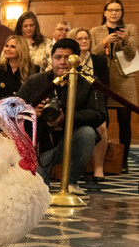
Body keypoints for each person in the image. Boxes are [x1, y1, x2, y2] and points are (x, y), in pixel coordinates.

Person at [17, 39, 106, 195]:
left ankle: (71, 181)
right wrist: (32, 113)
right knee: (37, 190)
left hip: (72, 140)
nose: (63, 62)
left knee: (87, 133)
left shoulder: (88, 82)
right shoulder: (36, 81)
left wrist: (68, 117)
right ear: (51, 60)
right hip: (41, 144)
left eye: (68, 58)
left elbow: (99, 114)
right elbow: (13, 108)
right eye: (58, 57)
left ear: (77, 60)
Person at [90, 0, 137, 173]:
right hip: (103, 79)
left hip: (124, 79)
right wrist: (105, 42)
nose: (114, 13)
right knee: (103, 121)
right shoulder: (96, 31)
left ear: (122, 13)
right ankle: (101, 161)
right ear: (105, 13)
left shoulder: (130, 29)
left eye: (117, 10)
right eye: (110, 10)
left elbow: (132, 54)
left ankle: (123, 162)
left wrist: (124, 41)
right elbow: (92, 54)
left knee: (125, 121)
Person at [70, 27, 110, 181]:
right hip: (74, 105)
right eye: (80, 39)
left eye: (86, 38)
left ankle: (98, 168)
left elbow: (106, 87)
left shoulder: (99, 61)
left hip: (95, 105)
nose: (84, 41)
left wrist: (99, 109)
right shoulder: (68, 60)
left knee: (101, 126)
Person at [0, 35, 34, 110]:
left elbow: (33, 97)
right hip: (3, 112)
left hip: (24, 113)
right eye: (6, 46)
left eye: (13, 47)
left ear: (22, 49)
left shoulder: (33, 70)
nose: (7, 49)